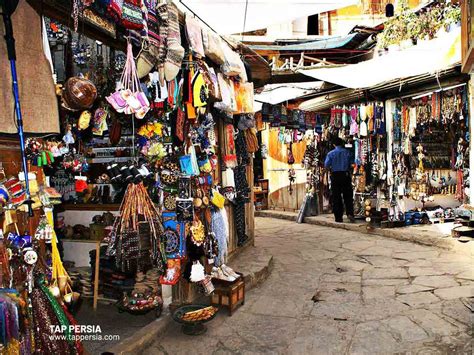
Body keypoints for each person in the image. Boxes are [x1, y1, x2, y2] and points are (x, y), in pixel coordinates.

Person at [324, 137, 355, 223]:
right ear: (341, 144)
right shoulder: (347, 152)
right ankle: (350, 213)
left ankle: (338, 217)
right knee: (348, 196)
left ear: (334, 144)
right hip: (345, 175)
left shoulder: (330, 154)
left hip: (335, 176)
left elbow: (326, 165)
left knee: (336, 197)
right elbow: (352, 164)